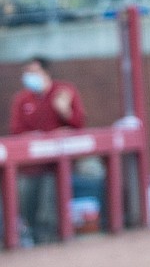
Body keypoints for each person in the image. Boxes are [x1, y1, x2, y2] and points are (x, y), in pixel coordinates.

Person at [10, 55, 86, 244]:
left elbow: (78, 124)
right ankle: (33, 238)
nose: (29, 76)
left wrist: (63, 109)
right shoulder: (22, 99)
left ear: (46, 72)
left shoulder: (64, 92)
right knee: (26, 202)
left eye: (34, 72)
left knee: (49, 204)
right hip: (31, 165)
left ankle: (50, 241)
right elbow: (17, 130)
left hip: (57, 165)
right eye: (27, 73)